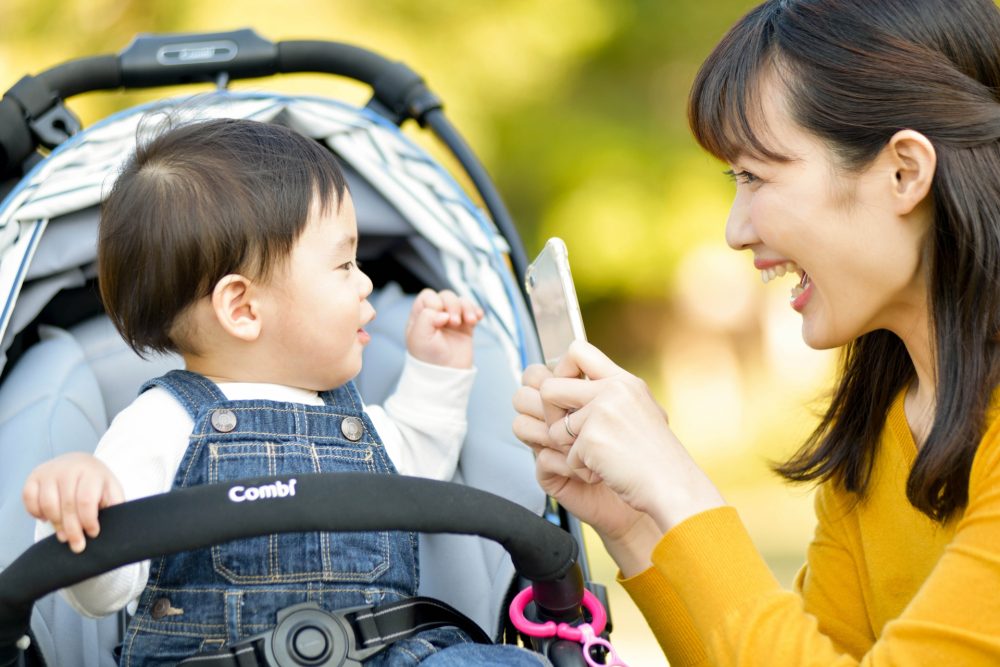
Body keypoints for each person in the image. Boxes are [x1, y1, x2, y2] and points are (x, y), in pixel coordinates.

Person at [513, 0, 1000, 664]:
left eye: (755, 175)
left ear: (904, 172)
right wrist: (635, 524)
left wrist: (677, 485)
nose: (735, 230)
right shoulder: (879, 433)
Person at [21, 118, 548, 666]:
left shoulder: (354, 421)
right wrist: (79, 512)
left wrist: (437, 368)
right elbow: (105, 591)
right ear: (244, 309)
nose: (366, 281)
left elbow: (421, 468)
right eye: (344, 264)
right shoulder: (160, 426)